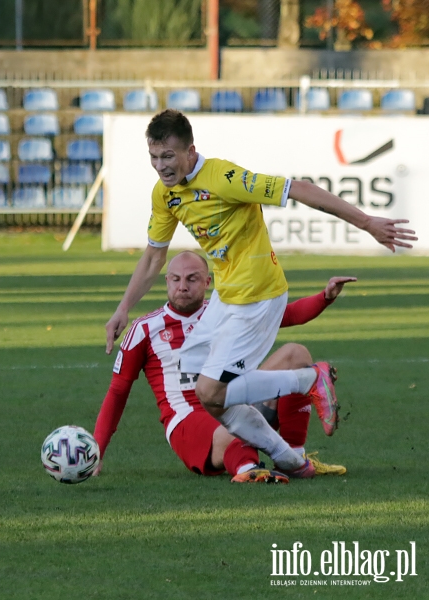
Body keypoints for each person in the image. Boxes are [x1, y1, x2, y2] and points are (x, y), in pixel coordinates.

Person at [104, 109, 417, 478]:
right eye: (154, 157)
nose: (161, 166)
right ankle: (292, 462)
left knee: (210, 392)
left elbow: (298, 188)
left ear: (190, 150)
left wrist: (366, 222)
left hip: (258, 294)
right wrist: (124, 307)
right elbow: (155, 253)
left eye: (168, 156)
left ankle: (309, 380)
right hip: (226, 296)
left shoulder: (223, 177)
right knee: (194, 379)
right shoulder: (166, 194)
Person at [94, 251, 352, 484]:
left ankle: (296, 458)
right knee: (231, 434)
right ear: (166, 282)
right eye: (175, 279)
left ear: (208, 282)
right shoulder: (145, 329)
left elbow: (289, 315)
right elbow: (118, 392)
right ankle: (250, 469)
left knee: (296, 354)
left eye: (192, 279)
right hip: (187, 421)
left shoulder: (226, 312)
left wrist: (325, 297)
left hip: (237, 402)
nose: (182, 287)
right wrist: (98, 450)